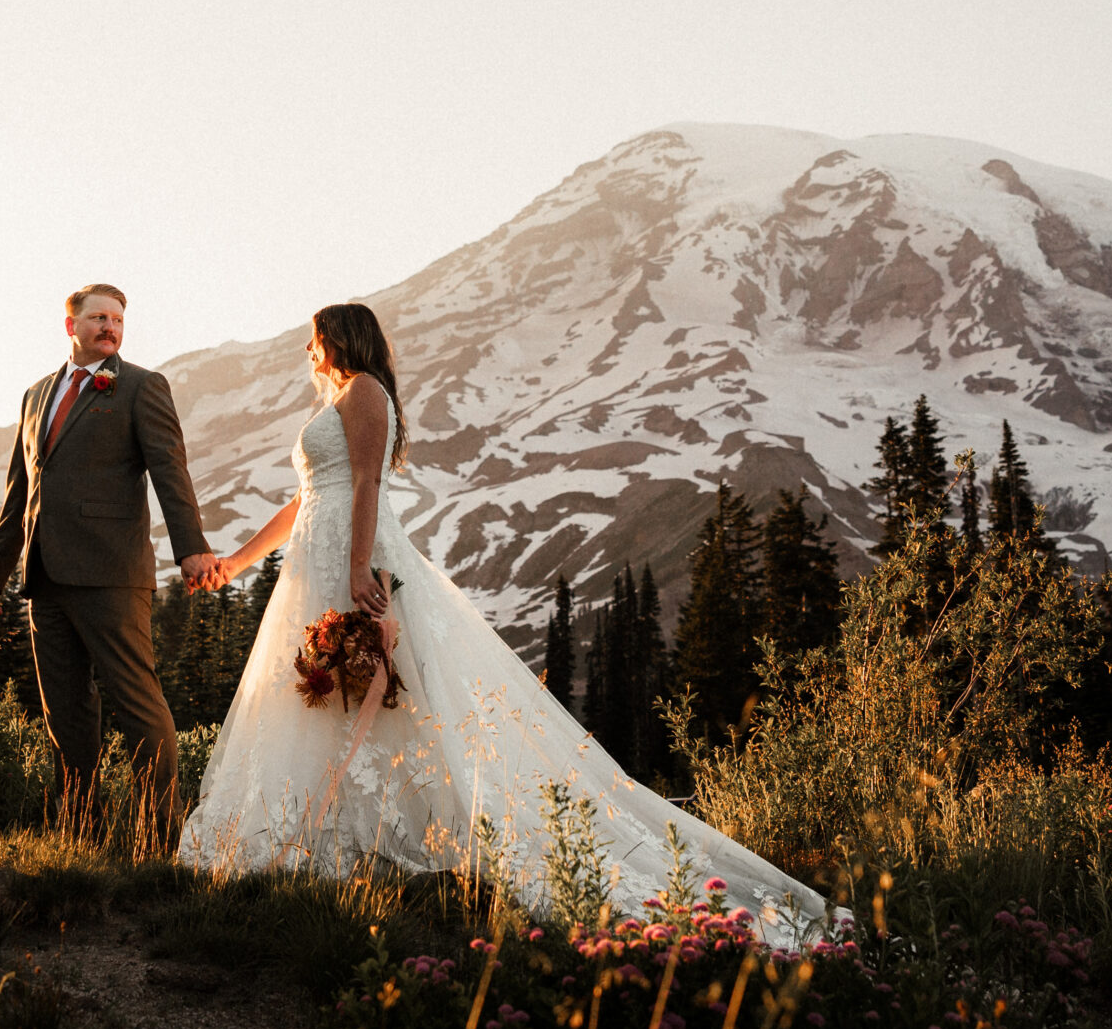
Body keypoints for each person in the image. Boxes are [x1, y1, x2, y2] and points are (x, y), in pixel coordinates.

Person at [176, 302, 842, 946]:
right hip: (313, 561)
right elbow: (308, 497)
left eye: (314, 337)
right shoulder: (341, 397)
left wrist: (358, 572)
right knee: (326, 693)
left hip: (354, 558)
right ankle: (329, 835)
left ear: (342, 338)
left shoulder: (368, 392)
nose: (307, 349)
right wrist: (237, 562)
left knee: (382, 690)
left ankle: (378, 838)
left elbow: (366, 486)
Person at [0, 283, 219, 837]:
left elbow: (169, 470)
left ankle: (159, 829)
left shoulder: (140, 387)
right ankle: (81, 832)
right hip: (45, 576)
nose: (110, 328)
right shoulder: (36, 395)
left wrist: (192, 549)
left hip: (113, 573)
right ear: (71, 326)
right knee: (65, 714)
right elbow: (21, 486)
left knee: (137, 705)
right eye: (98, 318)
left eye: (117, 319)